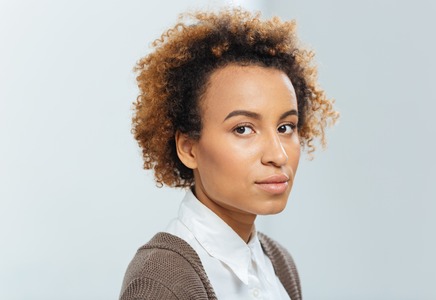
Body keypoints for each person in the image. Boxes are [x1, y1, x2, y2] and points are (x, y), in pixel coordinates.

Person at [119, 7, 338, 300]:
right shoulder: (162, 281)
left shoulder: (278, 264)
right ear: (188, 148)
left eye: (286, 127)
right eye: (243, 129)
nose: (278, 154)